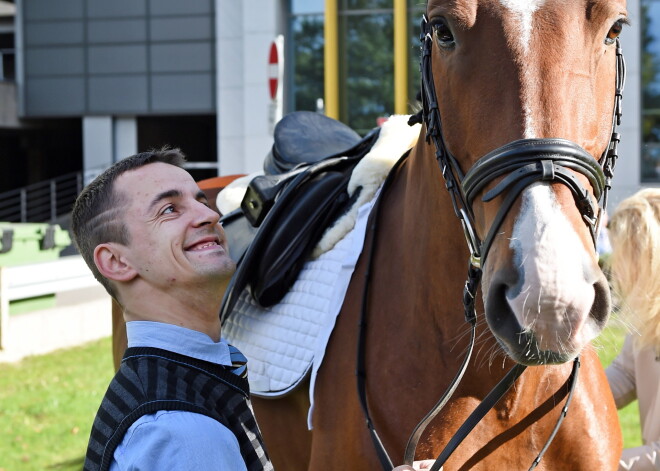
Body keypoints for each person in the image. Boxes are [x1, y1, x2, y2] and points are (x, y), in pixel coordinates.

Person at [73, 147, 430, 471]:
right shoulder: (185, 434)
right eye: (170, 209)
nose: (207, 214)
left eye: (201, 200)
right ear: (117, 262)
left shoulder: (169, 384)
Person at [605, 188, 660, 471]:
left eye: (622, 256)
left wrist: (593, 465)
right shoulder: (649, 321)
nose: (616, 271)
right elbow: (626, 374)